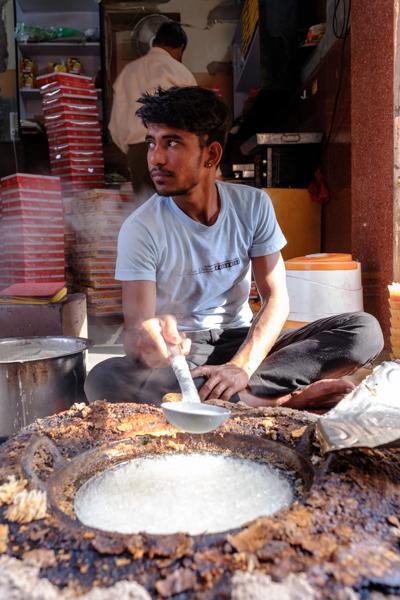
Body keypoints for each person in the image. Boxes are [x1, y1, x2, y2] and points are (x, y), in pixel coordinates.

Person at [85, 86, 384, 411]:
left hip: (243, 339)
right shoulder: (140, 228)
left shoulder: (252, 205)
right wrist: (150, 341)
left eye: (171, 143)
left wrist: (241, 366)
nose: (155, 158)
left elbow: (275, 298)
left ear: (211, 155)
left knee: (363, 330)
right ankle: (279, 399)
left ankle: (234, 398)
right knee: (102, 378)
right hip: (187, 352)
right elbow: (137, 330)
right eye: (151, 143)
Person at [108, 21, 197, 206]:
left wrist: (134, 151)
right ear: (179, 48)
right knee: (174, 212)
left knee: (147, 212)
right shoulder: (180, 71)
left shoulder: (127, 72)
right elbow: (194, 121)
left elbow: (114, 125)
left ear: (155, 42)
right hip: (172, 149)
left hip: (137, 153)